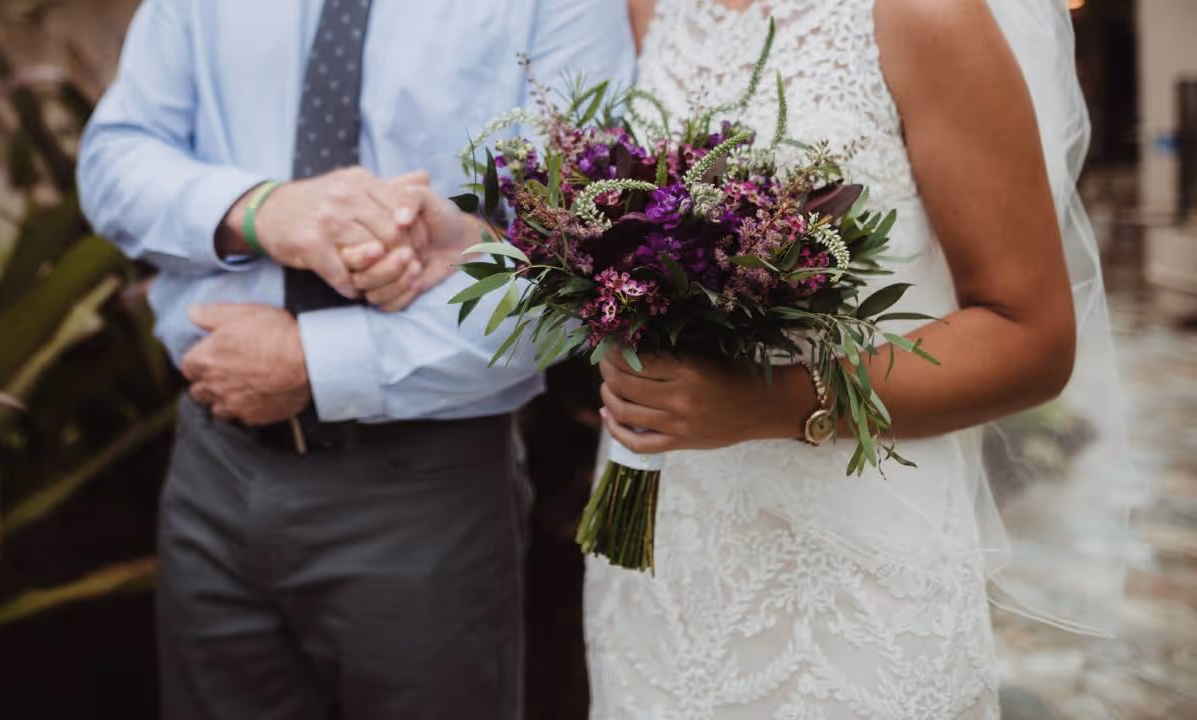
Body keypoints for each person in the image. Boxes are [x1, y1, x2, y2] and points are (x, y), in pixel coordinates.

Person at [76, 1, 634, 718]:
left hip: (423, 490)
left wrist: (316, 361)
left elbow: (589, 255)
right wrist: (259, 211)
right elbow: (115, 158)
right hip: (212, 467)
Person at [583, 0, 1116, 717]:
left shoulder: (927, 15)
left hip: (851, 564)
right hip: (665, 551)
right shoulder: (651, 9)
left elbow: (1031, 339)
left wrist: (768, 402)